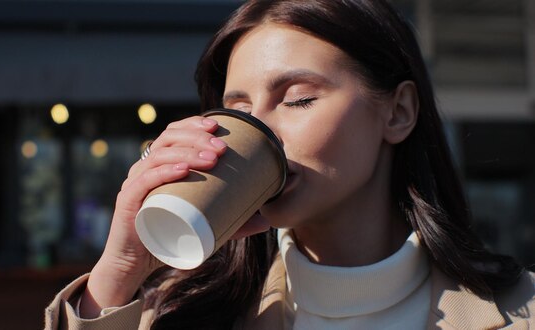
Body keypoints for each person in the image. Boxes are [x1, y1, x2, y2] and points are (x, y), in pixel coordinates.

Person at [45, 0, 534, 329]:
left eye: (298, 99)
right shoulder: (179, 313)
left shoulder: (521, 310)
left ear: (398, 111)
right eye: (237, 112)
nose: (257, 133)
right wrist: (123, 268)